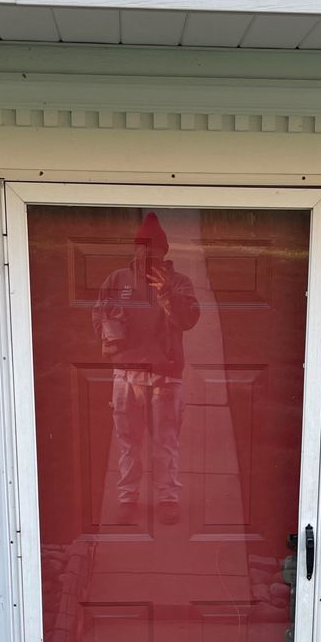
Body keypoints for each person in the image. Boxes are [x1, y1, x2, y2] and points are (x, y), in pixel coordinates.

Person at [92, 213, 200, 524]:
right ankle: (128, 498)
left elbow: (188, 321)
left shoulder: (180, 282)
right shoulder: (117, 280)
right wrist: (111, 336)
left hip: (166, 375)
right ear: (134, 248)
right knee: (128, 443)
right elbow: (98, 314)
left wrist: (167, 293)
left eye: (153, 248)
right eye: (141, 246)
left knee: (165, 442)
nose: (146, 253)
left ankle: (168, 498)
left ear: (164, 252)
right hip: (126, 375)